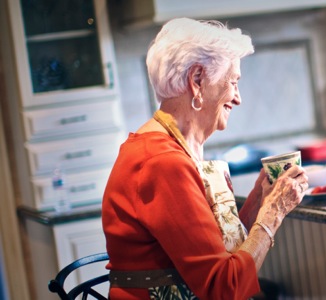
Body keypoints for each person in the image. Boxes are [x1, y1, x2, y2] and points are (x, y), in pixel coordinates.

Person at [101, 18, 308, 299]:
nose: (238, 98)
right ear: (197, 81)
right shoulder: (162, 161)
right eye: (233, 82)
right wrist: (273, 215)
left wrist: (261, 198)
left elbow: (213, 249)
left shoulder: (170, 147)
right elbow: (223, 287)